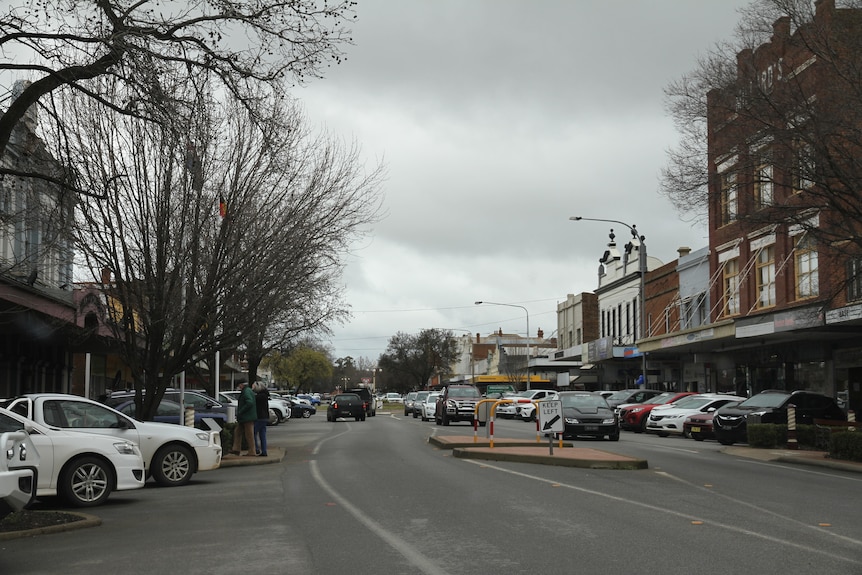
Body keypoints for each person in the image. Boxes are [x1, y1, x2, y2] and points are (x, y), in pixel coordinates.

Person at [229, 381, 257, 456]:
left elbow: (249, 402)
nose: (238, 387)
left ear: (241, 385)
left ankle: (252, 451)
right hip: (246, 417)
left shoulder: (246, 392)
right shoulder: (247, 391)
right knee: (237, 431)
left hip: (247, 417)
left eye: (239, 385)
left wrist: (241, 411)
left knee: (249, 435)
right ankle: (236, 449)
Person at [253, 382, 270, 457]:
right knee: (262, 435)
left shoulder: (259, 396)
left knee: (253, 432)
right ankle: (264, 450)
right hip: (264, 417)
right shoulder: (265, 395)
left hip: (260, 417)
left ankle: (256, 448)